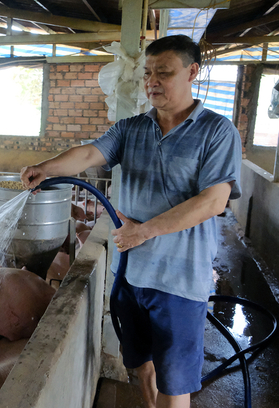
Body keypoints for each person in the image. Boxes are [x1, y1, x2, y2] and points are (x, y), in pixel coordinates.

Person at [20, 35, 242, 408]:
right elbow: (91, 152)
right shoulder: (132, 128)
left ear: (191, 72)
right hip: (131, 276)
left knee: (176, 385)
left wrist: (144, 230)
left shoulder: (217, 132)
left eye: (164, 73)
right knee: (142, 366)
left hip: (180, 282)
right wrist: (46, 168)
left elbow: (213, 201)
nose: (152, 81)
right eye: (148, 73)